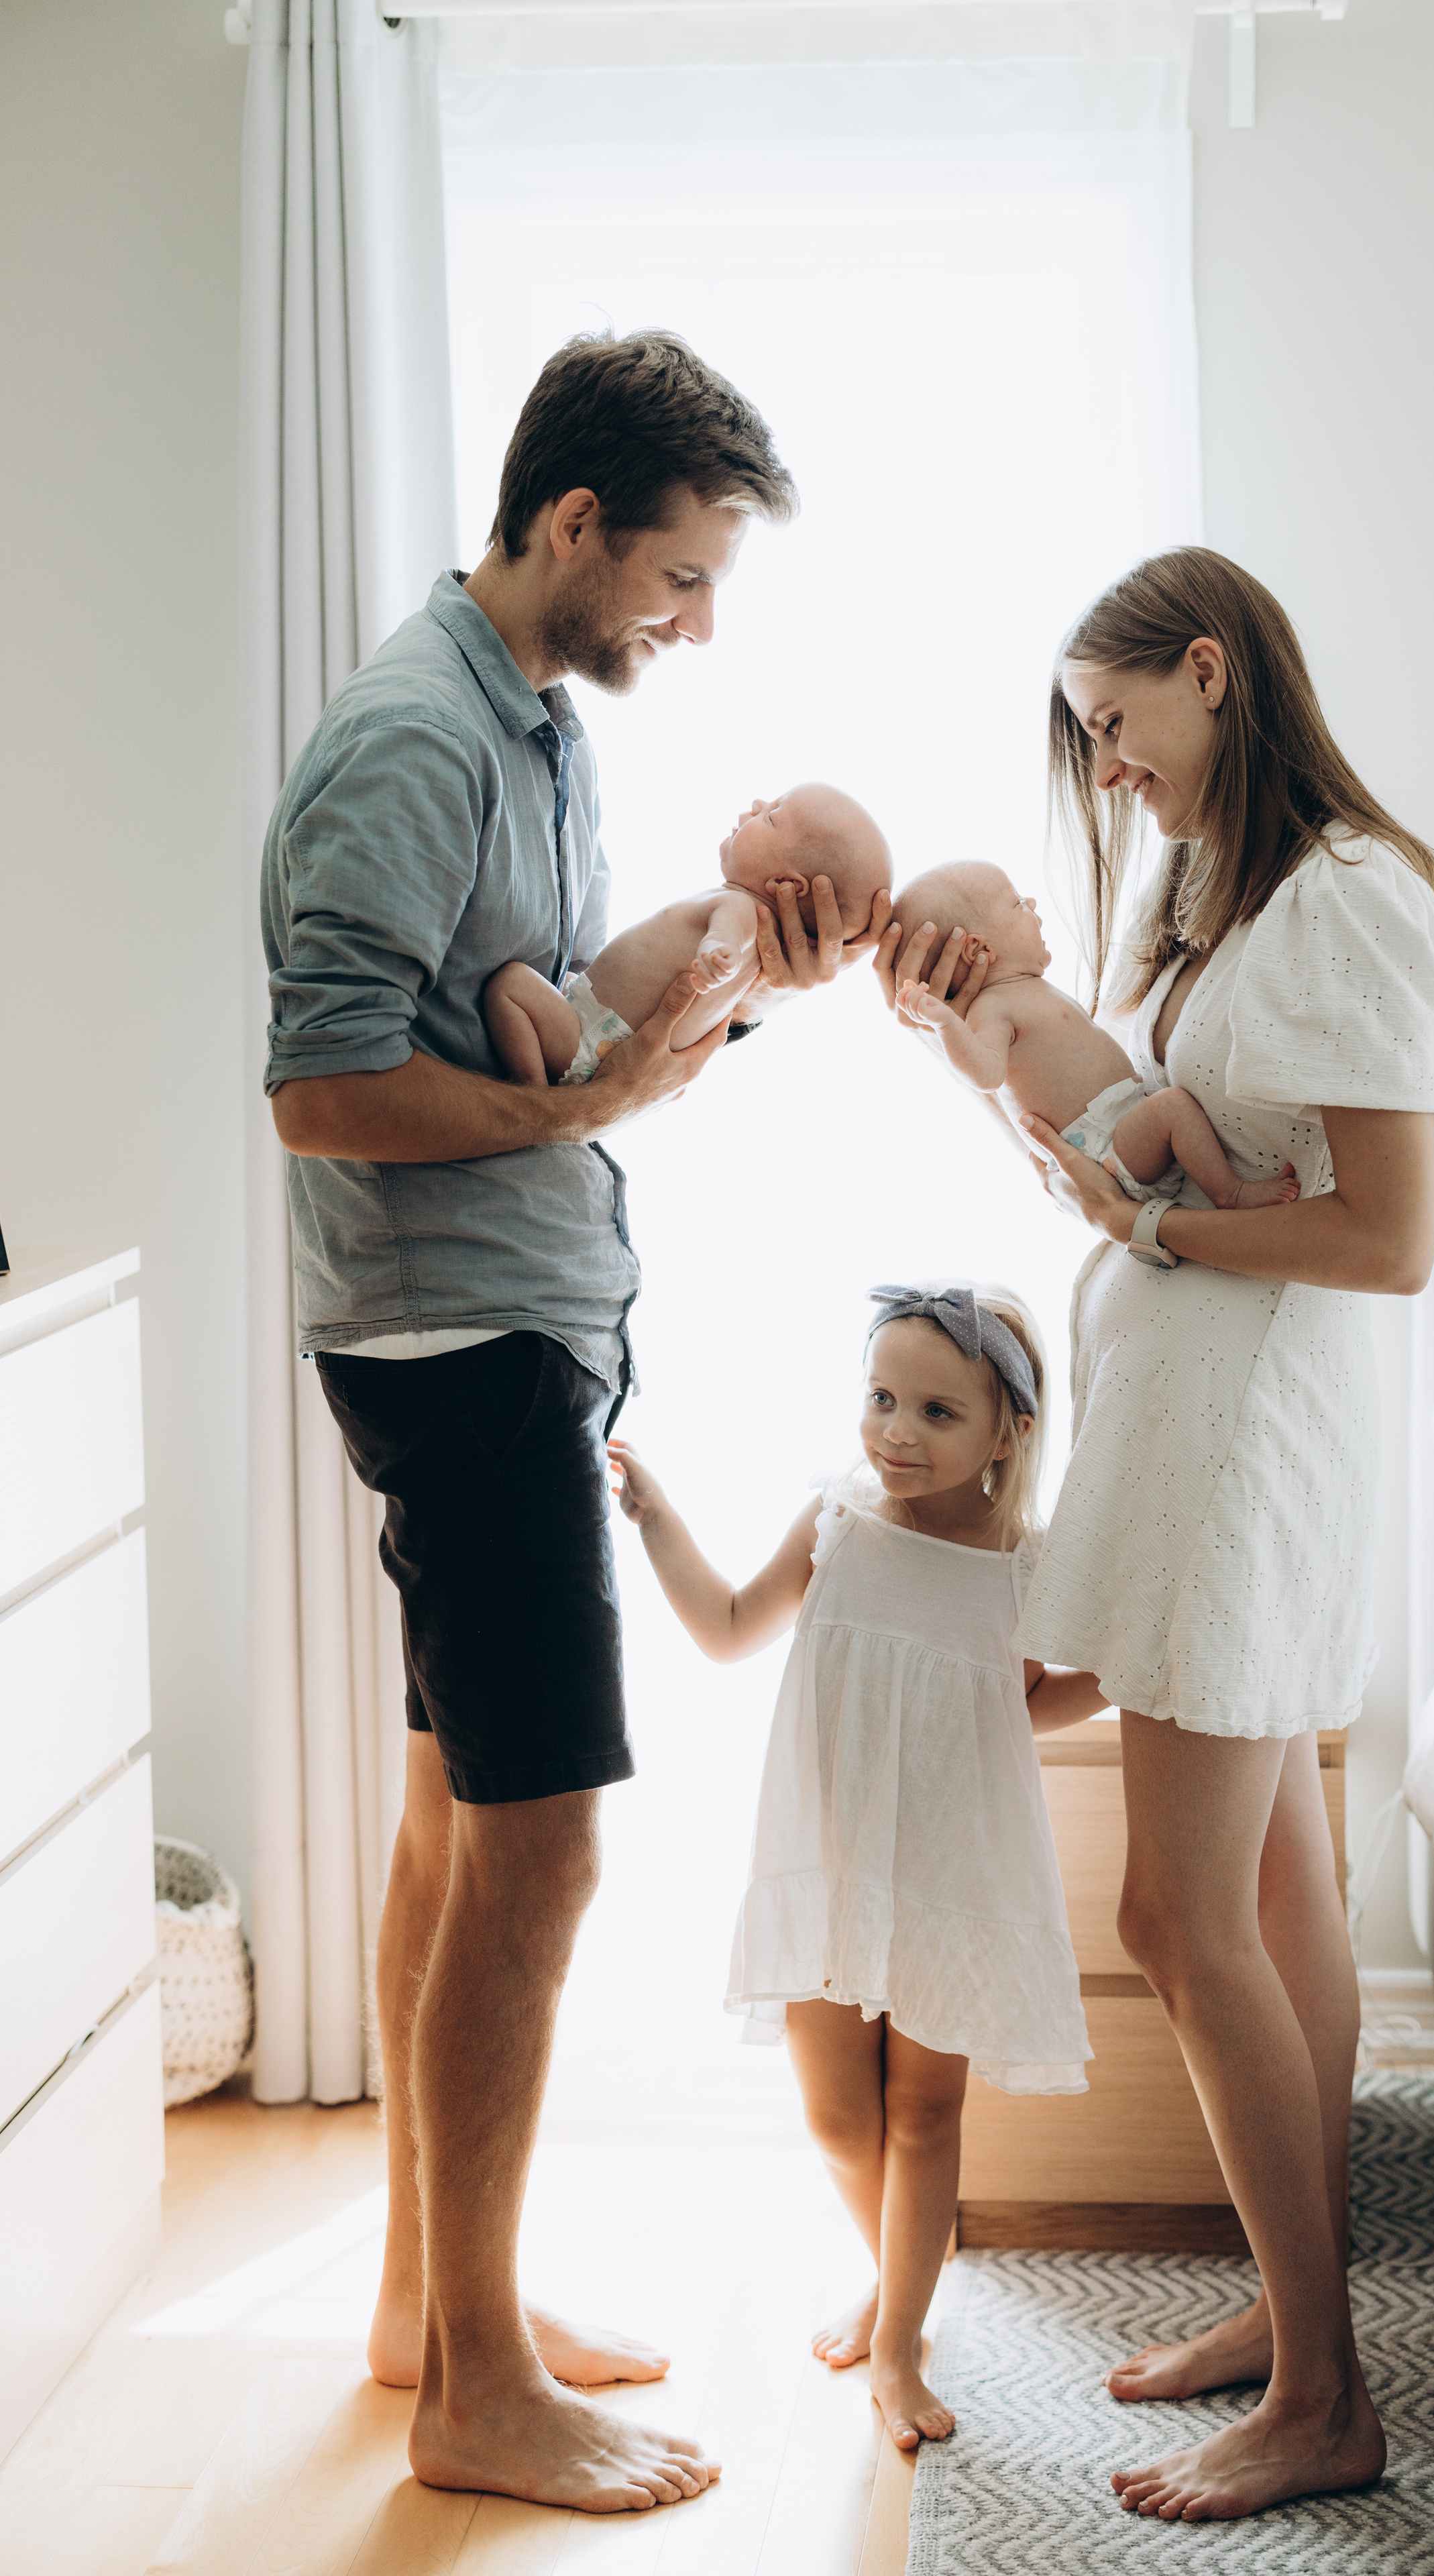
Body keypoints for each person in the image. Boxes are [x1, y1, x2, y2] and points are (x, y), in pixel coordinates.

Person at [261, 327, 889, 2514]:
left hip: (505, 1340)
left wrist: (716, 970)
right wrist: (616, 1089)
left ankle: (441, 2312)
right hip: (464, 1361)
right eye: (683, 573)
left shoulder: (524, 720)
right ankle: (477, 2404)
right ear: (573, 525)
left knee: (456, 1825)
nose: (692, 621)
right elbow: (326, 1085)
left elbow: (504, 1000)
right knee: (541, 1845)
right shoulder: (420, 737)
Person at [877, 545, 1434, 2524]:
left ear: (1213, 672)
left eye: (1116, 723)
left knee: (1173, 1914)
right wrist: (1021, 1093)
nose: (1103, 766)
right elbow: (1130, 1137)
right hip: (1178, 1411)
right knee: (1281, 1901)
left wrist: (1160, 1227)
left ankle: (1321, 2396)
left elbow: (1385, 1239)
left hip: (1254, 1439)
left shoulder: (1358, 898)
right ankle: (1296, 2324)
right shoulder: (1184, 890)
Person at [607, 1284, 1102, 2454]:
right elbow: (729, 1627)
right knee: (838, 2117)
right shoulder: (837, 1521)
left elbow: (1024, 1707)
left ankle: (897, 2349)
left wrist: (1138, 1659)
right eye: (881, 1397)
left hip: (952, 1871)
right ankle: (899, 2279)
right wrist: (657, 1517)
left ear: (1008, 1432)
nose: (894, 1431)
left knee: (926, 2111)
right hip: (830, 1860)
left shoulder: (1025, 1567)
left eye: (936, 1411)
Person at [889, 859, 1300, 1212]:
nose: (1032, 905)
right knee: (1174, 1106)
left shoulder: (1026, 989)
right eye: (1017, 904)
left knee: (1171, 1109)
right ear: (977, 949)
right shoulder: (992, 1010)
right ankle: (1231, 1193)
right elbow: (986, 1075)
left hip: (1122, 1129)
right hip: (1105, 1152)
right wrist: (946, 1025)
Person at [484, 784, 891, 1086]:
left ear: (789, 884)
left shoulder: (740, 909)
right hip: (604, 1040)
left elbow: (730, 935)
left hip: (584, 1036)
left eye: (772, 816)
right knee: (554, 981)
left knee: (508, 984)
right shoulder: (760, 951)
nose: (756, 805)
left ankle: (534, 1092)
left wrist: (718, 951)